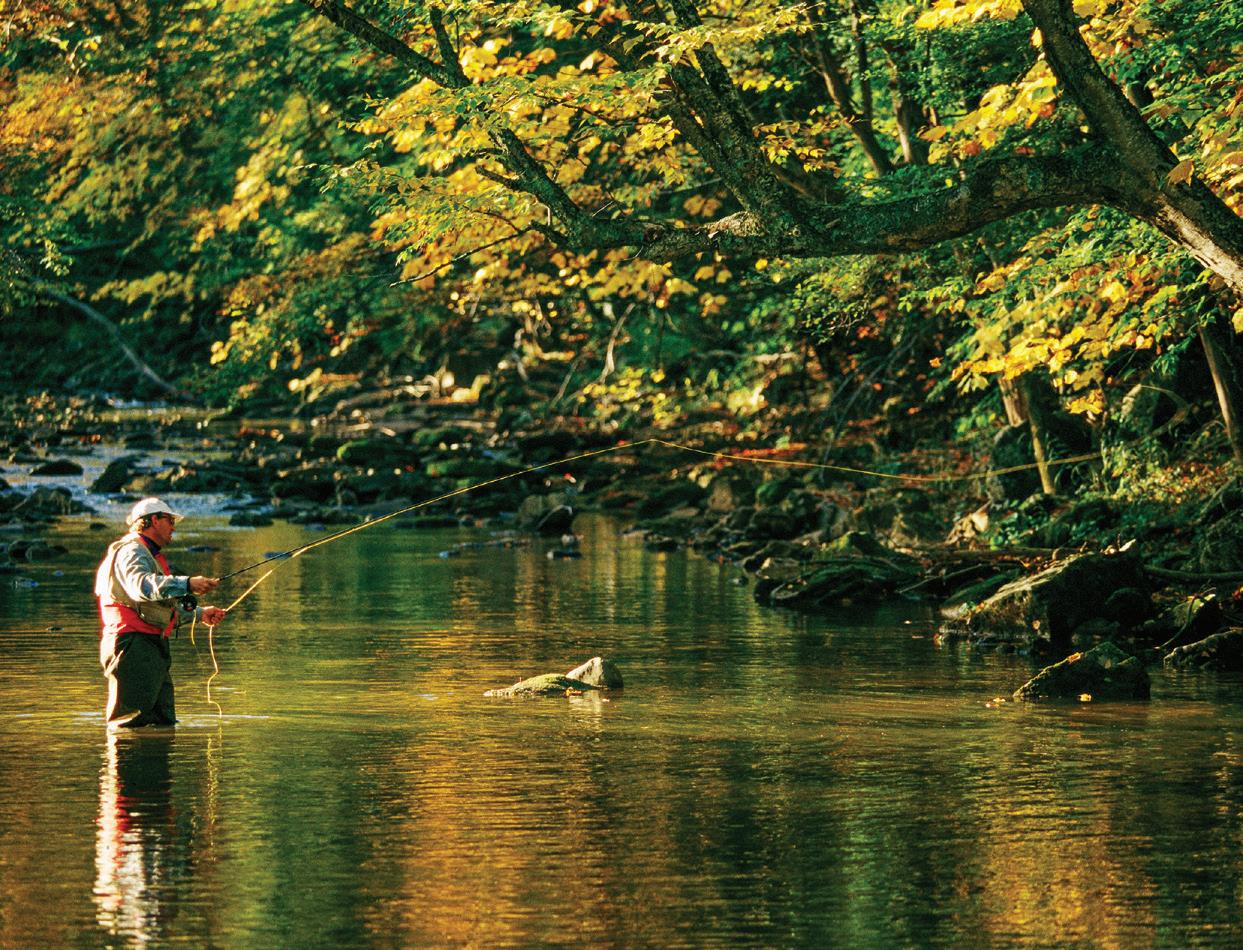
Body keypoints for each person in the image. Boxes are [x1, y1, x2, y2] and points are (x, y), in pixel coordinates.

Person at [94, 497, 226, 728]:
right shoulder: (132, 551)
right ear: (154, 520)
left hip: (148, 646)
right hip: (132, 645)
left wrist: (199, 614)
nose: (173, 527)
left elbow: (155, 607)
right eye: (170, 521)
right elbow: (141, 587)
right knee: (129, 724)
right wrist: (187, 584)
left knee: (163, 723)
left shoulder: (147, 553)